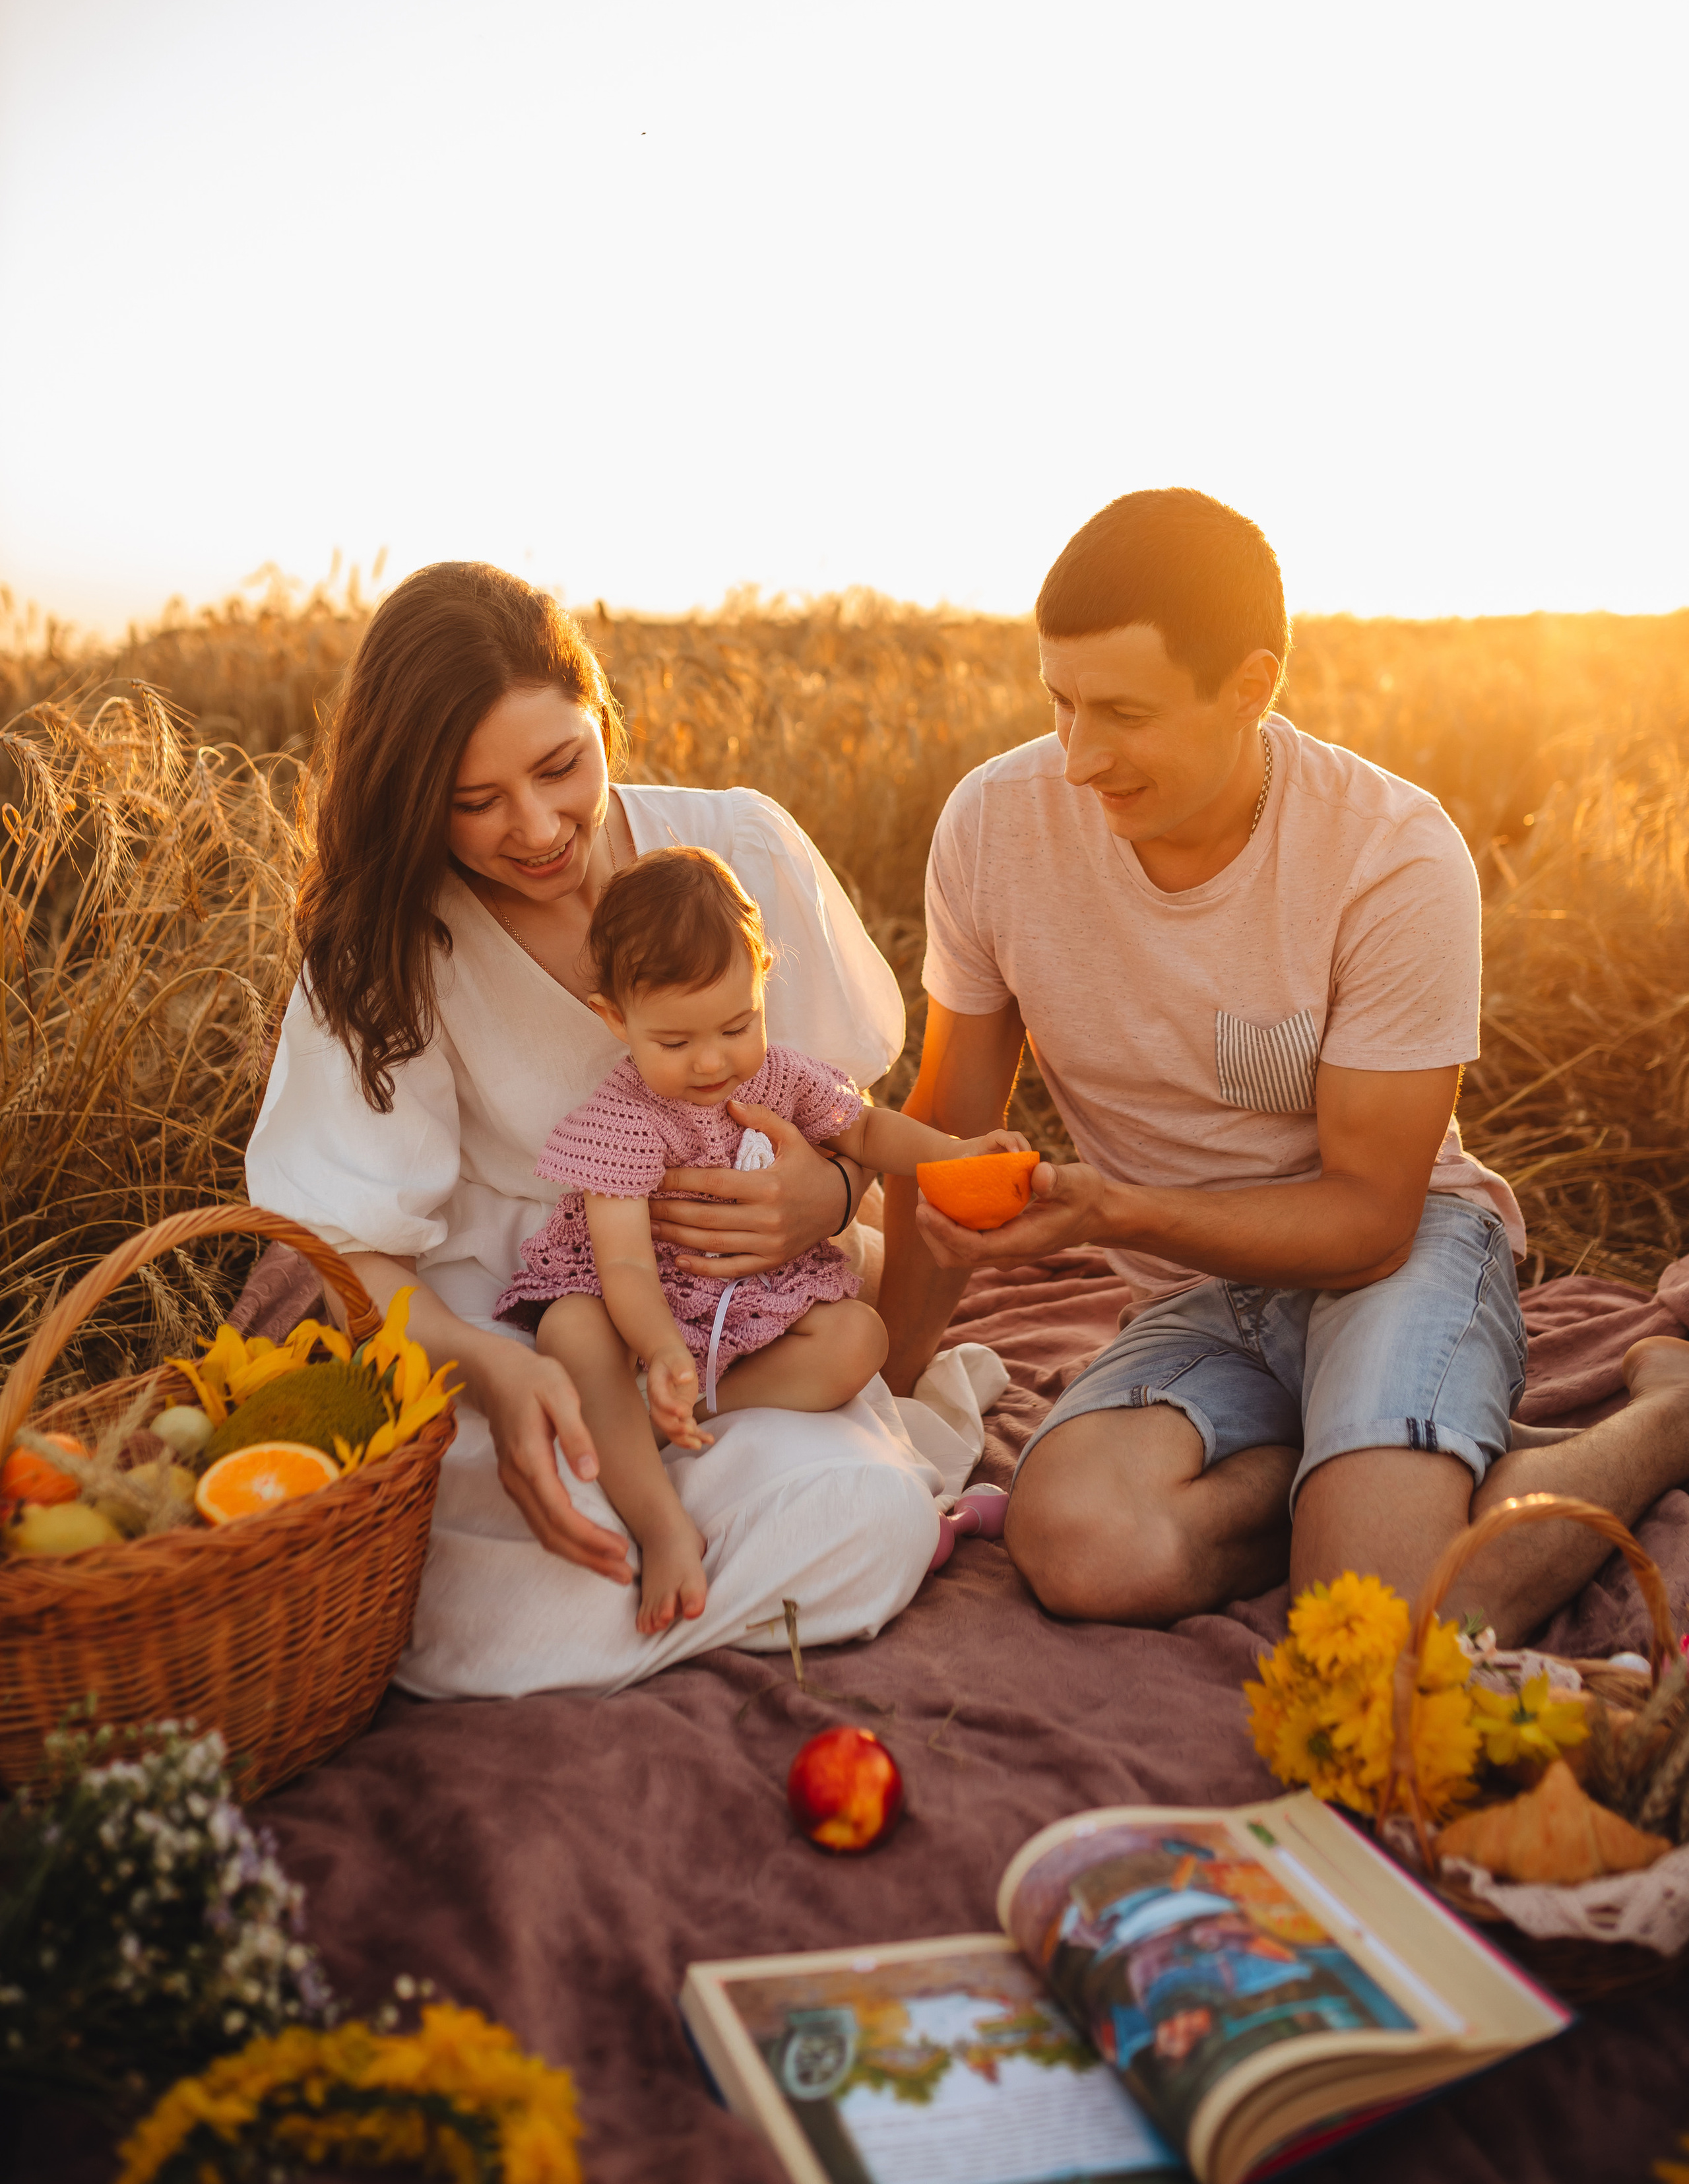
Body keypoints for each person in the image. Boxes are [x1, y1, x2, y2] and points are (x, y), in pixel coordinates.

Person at [878, 488, 1689, 1644]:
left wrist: (1112, 1209)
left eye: (1121, 712)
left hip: (1392, 1258)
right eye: (1059, 702)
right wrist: (888, 1389)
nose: (1077, 758)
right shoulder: (993, 827)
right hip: (1194, 1295)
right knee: (1077, 1544)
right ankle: (1364, 1480)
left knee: (1385, 1616)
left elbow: (1369, 1218)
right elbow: (947, 1123)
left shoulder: (1390, 857)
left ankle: (1665, 1415)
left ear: (1251, 687)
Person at [246, 562, 988, 1699]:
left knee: (867, 1520)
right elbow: (343, 1253)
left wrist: (829, 1201)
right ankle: (669, 1586)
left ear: (600, 713)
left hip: (746, 1326)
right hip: (524, 1330)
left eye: (560, 767)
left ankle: (664, 1591)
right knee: (438, 1603)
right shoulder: (386, 948)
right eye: (474, 801)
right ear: (410, 800)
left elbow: (846, 1117)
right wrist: (493, 1364)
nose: (538, 829)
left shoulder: (736, 851)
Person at [499, 845, 1024, 1632]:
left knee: (858, 1337)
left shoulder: (780, 1077)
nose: (712, 1061)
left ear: (761, 984)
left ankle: (670, 1409)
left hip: (744, 1307)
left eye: (736, 1025)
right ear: (616, 1019)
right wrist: (660, 1347)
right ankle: (659, 1523)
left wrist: (954, 1154)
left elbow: (869, 1130)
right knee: (573, 1331)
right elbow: (625, 1266)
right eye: (674, 1043)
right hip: (635, 1306)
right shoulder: (623, 1122)